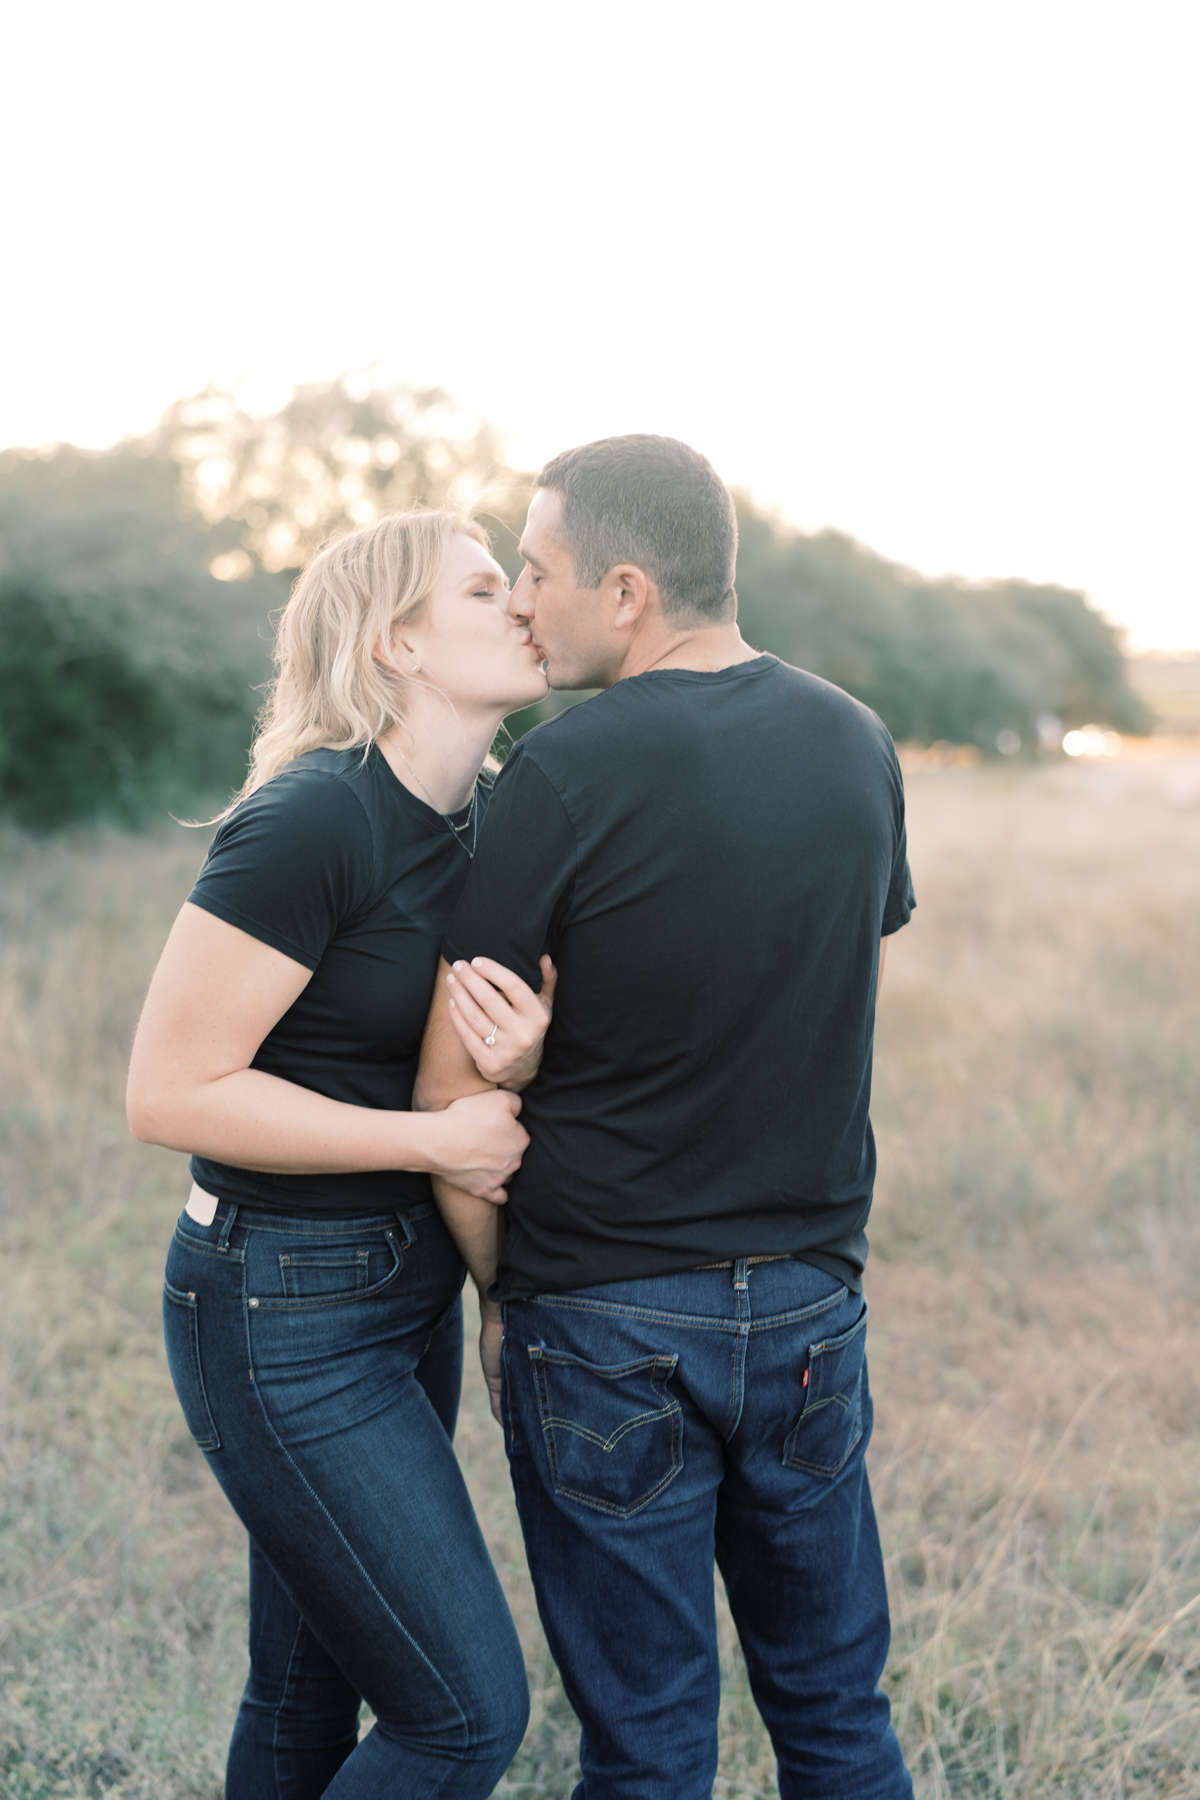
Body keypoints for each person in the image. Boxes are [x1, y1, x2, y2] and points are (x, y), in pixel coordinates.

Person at [415, 437, 917, 1799]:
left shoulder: (562, 775)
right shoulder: (855, 740)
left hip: (603, 1318)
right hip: (811, 1309)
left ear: (625, 591)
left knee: (646, 1747)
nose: (524, 599)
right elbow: (814, 986)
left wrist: (503, 1287)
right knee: (835, 1717)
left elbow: (449, 1095)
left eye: (539, 570)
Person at [126, 510, 558, 1799]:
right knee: (465, 1717)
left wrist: (514, 1073)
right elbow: (168, 1090)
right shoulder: (314, 818)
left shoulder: (488, 819)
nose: (526, 605)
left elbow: (461, 1054)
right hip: (278, 1306)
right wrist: (428, 1136)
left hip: (401, 1289)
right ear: (399, 643)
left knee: (308, 1685)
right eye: (488, 591)